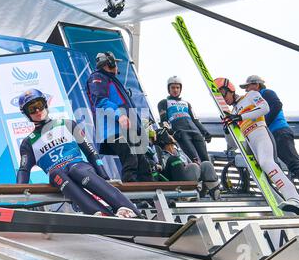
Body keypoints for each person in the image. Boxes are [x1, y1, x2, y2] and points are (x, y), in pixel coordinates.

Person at [17, 88, 141, 218]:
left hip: (80, 168)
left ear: (45, 104)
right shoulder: (27, 143)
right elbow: (24, 170)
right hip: (60, 177)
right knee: (55, 173)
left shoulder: (68, 124)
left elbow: (90, 151)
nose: (37, 111)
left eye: (39, 105)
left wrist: (103, 175)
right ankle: (99, 214)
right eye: (31, 109)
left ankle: (127, 207)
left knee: (75, 170)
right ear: (27, 114)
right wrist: (19, 193)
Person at [214, 77, 299, 215]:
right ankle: (287, 202)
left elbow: (265, 108)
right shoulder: (233, 112)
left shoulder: (251, 95)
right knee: (263, 173)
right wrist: (227, 129)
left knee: (267, 163)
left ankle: (296, 200)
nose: (224, 99)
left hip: (261, 133)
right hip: (251, 144)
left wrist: (239, 117)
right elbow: (232, 144)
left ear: (231, 89)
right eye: (220, 98)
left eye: (223, 93)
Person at [240, 75, 299, 204]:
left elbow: (276, 105)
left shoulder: (266, 93)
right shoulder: (255, 99)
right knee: (294, 162)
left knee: (294, 163)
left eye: (248, 86)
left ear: (257, 85)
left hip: (279, 131)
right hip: (275, 133)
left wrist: (265, 123)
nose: (246, 90)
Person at [86, 51, 152, 182]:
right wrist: (119, 116)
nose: (117, 66)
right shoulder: (97, 77)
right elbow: (100, 101)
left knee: (143, 164)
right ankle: (135, 199)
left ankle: (152, 199)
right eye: (115, 63)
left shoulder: (112, 81)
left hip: (125, 129)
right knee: (130, 159)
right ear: (109, 63)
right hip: (112, 130)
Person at [157, 76, 212, 164]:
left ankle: (210, 177)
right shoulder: (163, 103)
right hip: (181, 133)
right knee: (194, 160)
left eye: (177, 87)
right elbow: (163, 121)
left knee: (206, 160)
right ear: (169, 89)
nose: (175, 90)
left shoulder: (187, 103)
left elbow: (195, 119)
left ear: (180, 89)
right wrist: (172, 132)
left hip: (195, 131)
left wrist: (205, 131)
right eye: (173, 87)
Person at [155, 127, 220, 200]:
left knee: (206, 164)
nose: (172, 137)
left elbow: (189, 162)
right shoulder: (160, 154)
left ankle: (215, 192)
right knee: (193, 166)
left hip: (194, 179)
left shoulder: (178, 151)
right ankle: (189, 194)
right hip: (176, 184)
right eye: (169, 135)